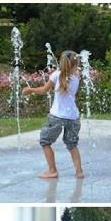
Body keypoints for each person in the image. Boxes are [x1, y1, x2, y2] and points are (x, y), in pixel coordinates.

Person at [22, 50, 85, 179]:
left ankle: (52, 170)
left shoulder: (56, 75)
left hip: (57, 116)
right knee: (72, 144)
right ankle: (79, 172)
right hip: (73, 117)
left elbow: (44, 90)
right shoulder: (76, 79)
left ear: (61, 62)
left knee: (45, 142)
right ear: (76, 64)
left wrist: (30, 90)